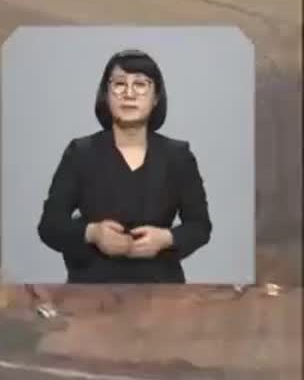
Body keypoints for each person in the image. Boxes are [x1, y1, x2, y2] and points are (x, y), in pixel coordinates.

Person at [37, 48, 212, 283]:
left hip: (162, 291)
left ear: (156, 97)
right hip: (91, 291)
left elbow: (200, 226)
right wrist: (92, 233)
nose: (129, 94)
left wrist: (166, 238)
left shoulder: (178, 156)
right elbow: (50, 225)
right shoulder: (80, 153)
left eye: (140, 84)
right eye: (119, 84)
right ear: (106, 95)